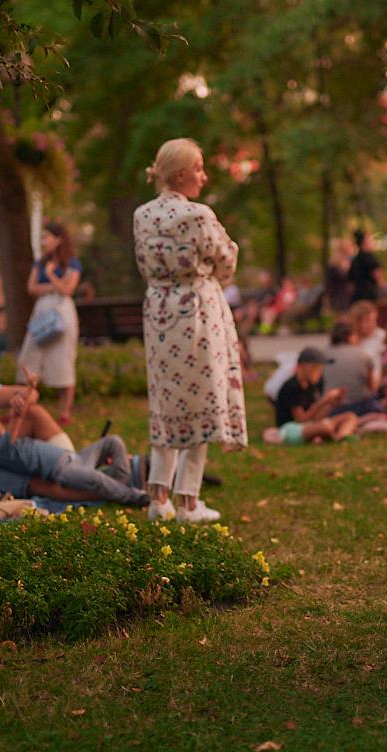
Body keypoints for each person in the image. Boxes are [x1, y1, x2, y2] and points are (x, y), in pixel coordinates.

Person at [134, 138, 247, 523]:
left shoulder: (142, 215)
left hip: (159, 311)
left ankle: (158, 498)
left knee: (167, 401)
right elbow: (226, 261)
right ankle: (188, 501)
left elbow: (142, 264)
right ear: (181, 174)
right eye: (198, 168)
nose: (203, 175)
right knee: (199, 398)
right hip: (197, 310)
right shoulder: (199, 215)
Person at [0, 394, 148, 507]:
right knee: (97, 480)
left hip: (74, 458)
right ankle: (133, 497)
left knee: (112, 441)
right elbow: (9, 421)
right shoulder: (2, 451)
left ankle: (120, 481)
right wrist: (17, 413)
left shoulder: (1, 446)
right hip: (63, 471)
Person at [18, 222, 81, 424]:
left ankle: (65, 412)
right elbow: (31, 287)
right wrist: (53, 286)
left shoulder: (72, 262)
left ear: (58, 239)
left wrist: (52, 276)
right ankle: (25, 405)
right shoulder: (40, 262)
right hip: (42, 312)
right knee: (31, 356)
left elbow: (67, 290)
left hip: (62, 313)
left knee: (63, 359)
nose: (44, 241)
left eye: (47, 237)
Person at [265, 347, 359, 444]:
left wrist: (331, 403)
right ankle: (335, 435)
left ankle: (341, 437)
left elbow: (316, 418)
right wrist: (323, 401)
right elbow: (301, 420)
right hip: (290, 429)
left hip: (310, 426)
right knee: (326, 427)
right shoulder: (292, 387)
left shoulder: (313, 385)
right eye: (316, 367)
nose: (320, 371)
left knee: (350, 416)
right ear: (303, 366)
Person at [323, 320, 383, 416]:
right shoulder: (363, 355)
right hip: (359, 407)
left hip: (331, 409)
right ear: (350, 336)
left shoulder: (325, 352)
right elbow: (373, 388)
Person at [347, 230, 384, 304]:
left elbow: (350, 282)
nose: (373, 242)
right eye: (370, 240)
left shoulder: (355, 260)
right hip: (370, 294)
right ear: (364, 242)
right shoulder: (369, 258)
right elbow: (377, 275)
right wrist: (382, 288)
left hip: (358, 295)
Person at [347, 300, 385, 371]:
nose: (372, 324)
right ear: (357, 323)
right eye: (367, 321)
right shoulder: (350, 340)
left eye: (374, 320)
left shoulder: (381, 336)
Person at [323, 237, 354, 314]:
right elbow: (329, 284)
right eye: (350, 246)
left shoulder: (348, 262)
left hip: (345, 297)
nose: (352, 249)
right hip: (339, 298)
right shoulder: (335, 264)